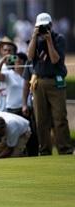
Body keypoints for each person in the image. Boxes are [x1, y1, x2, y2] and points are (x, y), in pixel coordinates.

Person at [27, 12, 74, 155]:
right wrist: (34, 37)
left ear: (51, 25)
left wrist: (48, 41)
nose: (43, 29)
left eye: (45, 26)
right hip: (39, 82)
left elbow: (54, 60)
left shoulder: (59, 39)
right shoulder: (35, 40)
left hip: (56, 81)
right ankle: (45, 150)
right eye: (40, 27)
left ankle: (64, 149)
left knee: (59, 117)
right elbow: (29, 57)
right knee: (41, 119)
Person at [0, 36, 17, 111]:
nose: (7, 53)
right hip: (3, 101)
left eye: (10, 50)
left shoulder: (18, 65)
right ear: (1, 51)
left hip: (16, 102)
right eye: (5, 50)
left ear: (13, 52)